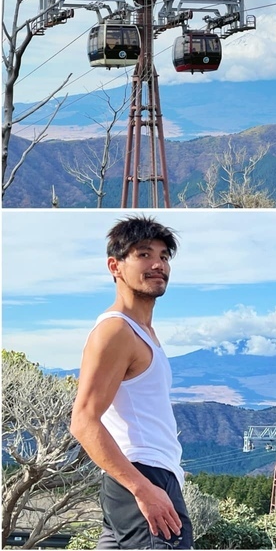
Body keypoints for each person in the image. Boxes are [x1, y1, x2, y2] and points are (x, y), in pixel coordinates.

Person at [70, 215, 193, 549]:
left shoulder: (144, 333)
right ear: (115, 266)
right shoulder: (116, 331)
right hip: (143, 476)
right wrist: (142, 488)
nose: (158, 264)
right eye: (143, 254)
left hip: (142, 480)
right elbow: (83, 420)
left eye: (164, 256)